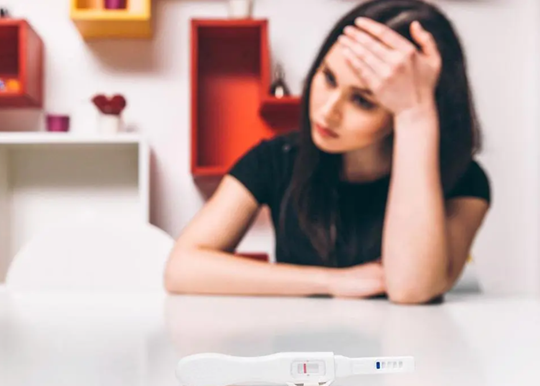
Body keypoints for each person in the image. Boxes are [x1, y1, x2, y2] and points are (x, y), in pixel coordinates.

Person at [164, 0, 491, 304]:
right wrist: (333, 281)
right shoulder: (279, 157)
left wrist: (415, 115)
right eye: (329, 78)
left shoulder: (464, 180)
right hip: (298, 344)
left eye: (362, 100)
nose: (328, 111)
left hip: (406, 346)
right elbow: (181, 268)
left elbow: (411, 288)